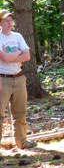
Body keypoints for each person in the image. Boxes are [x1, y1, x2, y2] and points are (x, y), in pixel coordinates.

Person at [0, 9, 36, 150]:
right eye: (6, 21)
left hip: (19, 78)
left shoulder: (18, 36)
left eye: (11, 20)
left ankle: (22, 141)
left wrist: (14, 55)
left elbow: (27, 56)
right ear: (0, 23)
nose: (10, 23)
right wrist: (19, 52)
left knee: (20, 112)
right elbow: (5, 58)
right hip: (3, 79)